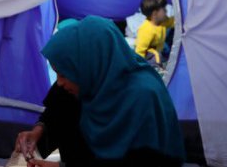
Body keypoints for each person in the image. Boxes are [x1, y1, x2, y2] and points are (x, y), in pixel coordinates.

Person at [15, 16, 185, 167]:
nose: (59, 82)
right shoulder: (87, 80)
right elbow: (55, 114)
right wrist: (39, 130)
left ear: (90, 63)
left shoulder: (143, 98)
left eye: (63, 74)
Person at [134, 0, 174, 68]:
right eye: (164, 9)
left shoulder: (162, 22)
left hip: (159, 48)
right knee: (155, 60)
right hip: (147, 53)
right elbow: (140, 50)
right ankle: (156, 68)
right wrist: (139, 65)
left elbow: (173, 22)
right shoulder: (146, 30)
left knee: (165, 51)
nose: (166, 11)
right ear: (155, 14)